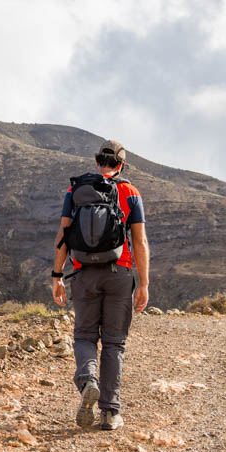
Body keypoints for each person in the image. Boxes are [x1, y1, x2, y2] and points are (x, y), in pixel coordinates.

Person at [51, 140, 150, 431]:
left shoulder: (75, 190)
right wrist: (143, 283)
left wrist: (57, 276)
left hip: (83, 273)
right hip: (119, 273)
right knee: (114, 342)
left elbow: (63, 234)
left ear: (97, 163)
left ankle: (88, 381)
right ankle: (110, 412)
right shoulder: (130, 192)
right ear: (120, 166)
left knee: (83, 336)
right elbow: (140, 241)